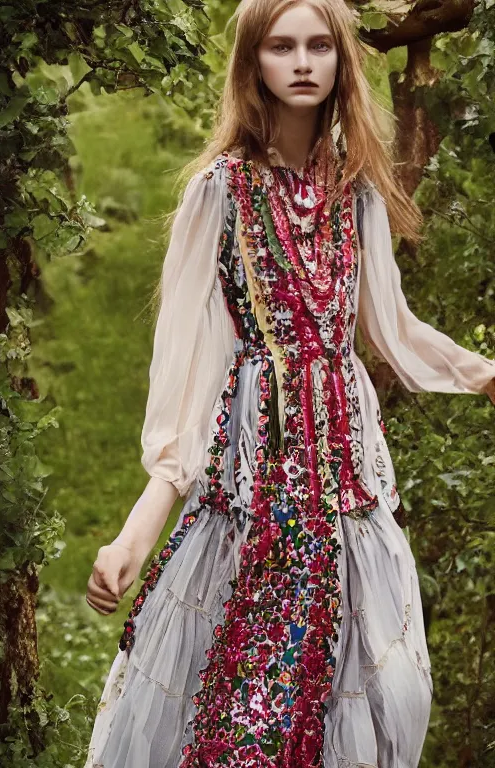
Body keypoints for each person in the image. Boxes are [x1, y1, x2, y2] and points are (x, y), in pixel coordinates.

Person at [84, 1, 495, 766]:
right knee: (246, 713)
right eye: (281, 46)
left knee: (387, 690)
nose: (302, 62)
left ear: (341, 60)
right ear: (253, 64)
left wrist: (484, 376)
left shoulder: (358, 192)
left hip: (346, 489)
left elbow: (393, 330)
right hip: (257, 487)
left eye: (318, 46)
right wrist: (135, 535)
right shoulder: (219, 192)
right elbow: (187, 378)